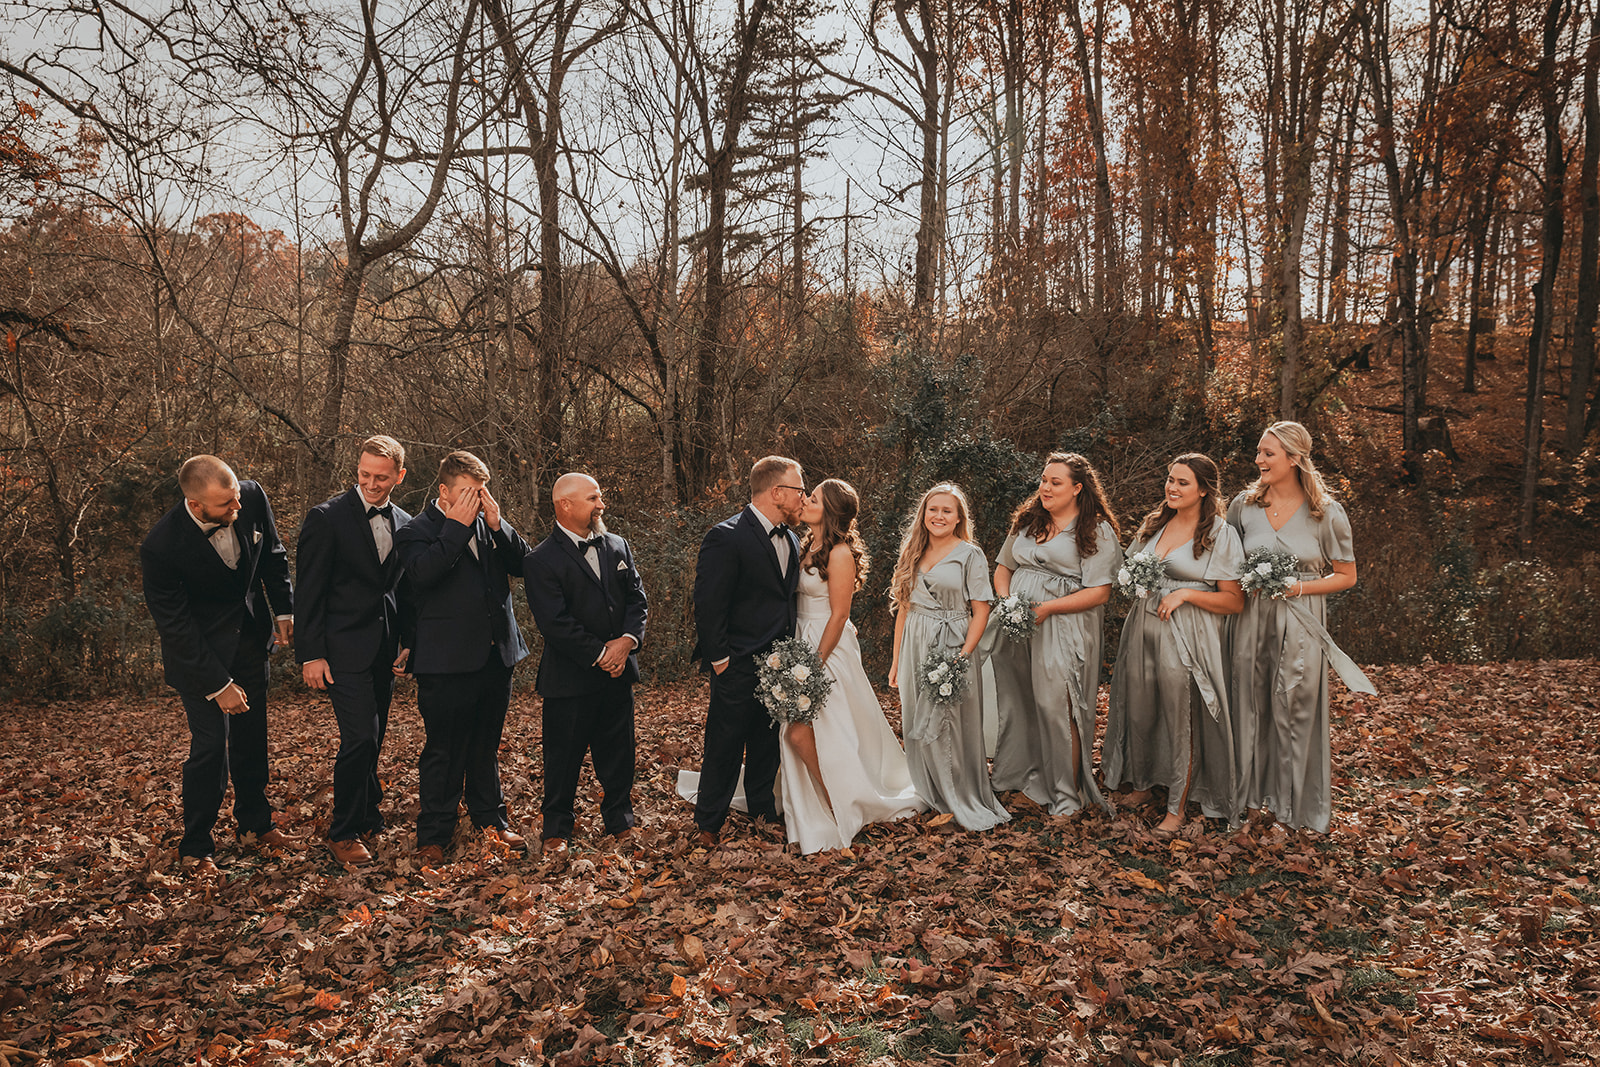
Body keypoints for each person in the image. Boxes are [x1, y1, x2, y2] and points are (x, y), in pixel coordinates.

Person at [140, 455, 302, 874]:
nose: (237, 507)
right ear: (196, 506)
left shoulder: (250, 496)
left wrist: (284, 609)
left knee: (252, 739)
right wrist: (218, 684)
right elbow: (176, 627)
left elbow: (273, 553)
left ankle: (255, 825)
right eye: (226, 505)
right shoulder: (161, 547)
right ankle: (196, 845)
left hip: (250, 639)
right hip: (199, 658)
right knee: (211, 748)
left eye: (236, 497)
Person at [1228, 421, 1374, 834]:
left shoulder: (1326, 512)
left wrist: (1299, 587)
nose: (1258, 459)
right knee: (1250, 707)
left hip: (1301, 620)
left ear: (1294, 458)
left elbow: (1346, 576)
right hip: (1251, 618)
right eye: (1259, 451)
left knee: (1295, 709)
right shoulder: (1243, 506)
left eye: (1268, 453)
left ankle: (1292, 812)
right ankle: (1249, 803)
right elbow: (1226, 564)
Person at [395, 450, 531, 864]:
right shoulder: (416, 530)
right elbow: (423, 575)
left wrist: (499, 524)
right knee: (444, 749)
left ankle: (491, 821)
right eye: (469, 492)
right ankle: (434, 834)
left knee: (485, 745)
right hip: (445, 660)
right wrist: (456, 527)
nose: (478, 500)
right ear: (444, 491)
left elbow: (525, 565)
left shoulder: (489, 525)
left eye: (482, 492)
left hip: (496, 655)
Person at [1103, 453, 1245, 838]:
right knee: (1140, 708)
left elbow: (1234, 600)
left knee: (1180, 716)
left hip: (1187, 633)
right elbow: (1128, 572)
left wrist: (1186, 594)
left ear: (1203, 490)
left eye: (1183, 482)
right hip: (1143, 627)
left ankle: (1176, 807)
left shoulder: (1219, 533)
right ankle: (1144, 783)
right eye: (1170, 479)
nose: (1172, 487)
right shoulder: (1154, 524)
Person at [780, 479, 925, 854]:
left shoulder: (840, 552)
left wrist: (814, 663)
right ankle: (826, 799)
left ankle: (839, 803)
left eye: (813, 498)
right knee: (806, 731)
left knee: (814, 729)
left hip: (826, 648)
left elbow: (840, 613)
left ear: (829, 510)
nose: (805, 501)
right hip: (801, 638)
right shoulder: (805, 545)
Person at [294, 435, 414, 866]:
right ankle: (342, 831)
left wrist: (408, 642)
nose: (371, 483)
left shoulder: (406, 521)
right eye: (364, 474)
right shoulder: (326, 518)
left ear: (399, 476)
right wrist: (310, 653)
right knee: (360, 736)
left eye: (381, 477)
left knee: (374, 737)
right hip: (340, 649)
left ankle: (367, 812)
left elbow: (403, 590)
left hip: (384, 648)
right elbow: (308, 591)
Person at [987, 453, 1123, 817]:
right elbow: (1003, 568)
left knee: (1058, 704)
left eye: (1055, 482)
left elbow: (1100, 592)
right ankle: (1019, 776)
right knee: (1018, 699)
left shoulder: (1095, 530)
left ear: (1077, 488)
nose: (1045, 488)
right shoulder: (1027, 520)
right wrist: (1008, 601)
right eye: (1044, 480)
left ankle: (1066, 794)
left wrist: (1047, 608)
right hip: (1018, 625)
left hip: (1064, 624)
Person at [524, 473, 648, 856]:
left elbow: (637, 600)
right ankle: (556, 829)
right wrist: (602, 654)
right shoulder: (540, 560)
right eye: (593, 498)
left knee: (619, 754)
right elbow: (554, 622)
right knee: (563, 758)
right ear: (565, 504)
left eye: (600, 498)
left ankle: (620, 822)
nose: (601, 505)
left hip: (618, 674)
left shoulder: (618, 545)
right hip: (569, 679)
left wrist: (626, 643)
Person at [688, 455, 805, 846]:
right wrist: (720, 659)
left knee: (766, 742)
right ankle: (708, 822)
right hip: (736, 662)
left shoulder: (792, 539)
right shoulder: (726, 536)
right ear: (777, 492)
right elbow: (708, 603)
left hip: (779, 663)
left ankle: (762, 811)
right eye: (799, 490)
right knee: (724, 744)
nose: (803, 498)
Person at [888, 483, 1011, 832]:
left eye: (946, 511)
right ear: (923, 514)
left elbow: (981, 610)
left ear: (959, 518)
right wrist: (896, 660)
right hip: (915, 642)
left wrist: (963, 656)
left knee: (949, 723)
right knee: (917, 719)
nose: (938, 516)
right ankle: (930, 792)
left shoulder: (970, 554)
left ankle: (958, 796)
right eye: (933, 509)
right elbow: (903, 609)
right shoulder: (913, 550)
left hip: (953, 643)